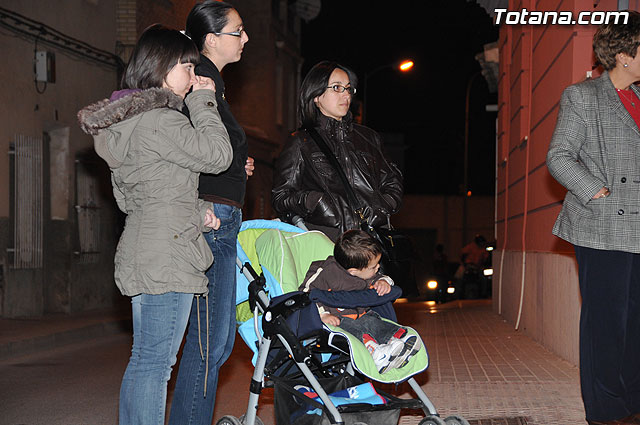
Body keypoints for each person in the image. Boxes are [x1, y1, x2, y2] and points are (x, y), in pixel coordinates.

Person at [77, 24, 232, 425]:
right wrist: (204, 102)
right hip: (168, 252)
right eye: (187, 68)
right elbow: (217, 155)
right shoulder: (162, 120)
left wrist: (196, 210)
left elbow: (134, 197)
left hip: (147, 245)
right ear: (162, 67)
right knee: (156, 364)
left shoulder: (129, 123)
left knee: (147, 359)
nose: (194, 78)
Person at [546, 11, 640, 425]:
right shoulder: (583, 96)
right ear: (624, 54)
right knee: (607, 324)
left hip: (638, 227)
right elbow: (559, 157)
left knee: (636, 324)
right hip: (602, 226)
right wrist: (595, 192)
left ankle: (633, 402)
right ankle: (606, 411)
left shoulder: (639, 97)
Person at [169, 3, 251, 425]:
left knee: (216, 344)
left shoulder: (213, 83)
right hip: (212, 221)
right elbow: (187, 146)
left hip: (223, 216)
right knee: (208, 343)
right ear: (212, 39)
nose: (246, 39)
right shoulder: (199, 78)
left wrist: (240, 163)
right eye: (238, 32)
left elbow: (212, 148)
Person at [272, 61, 403, 242]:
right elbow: (281, 196)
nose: (345, 95)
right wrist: (314, 201)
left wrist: (381, 207)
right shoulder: (301, 142)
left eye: (348, 89)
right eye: (336, 88)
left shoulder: (368, 138)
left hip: (370, 242)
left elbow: (393, 181)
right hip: (327, 242)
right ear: (316, 95)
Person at [299, 230, 420, 373]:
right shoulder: (327, 272)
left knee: (375, 322)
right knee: (356, 331)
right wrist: (322, 314)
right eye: (374, 267)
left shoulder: (365, 271)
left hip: (363, 315)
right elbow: (306, 293)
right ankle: (376, 353)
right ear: (353, 272)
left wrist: (383, 281)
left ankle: (397, 341)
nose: (378, 268)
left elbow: (376, 277)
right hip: (338, 320)